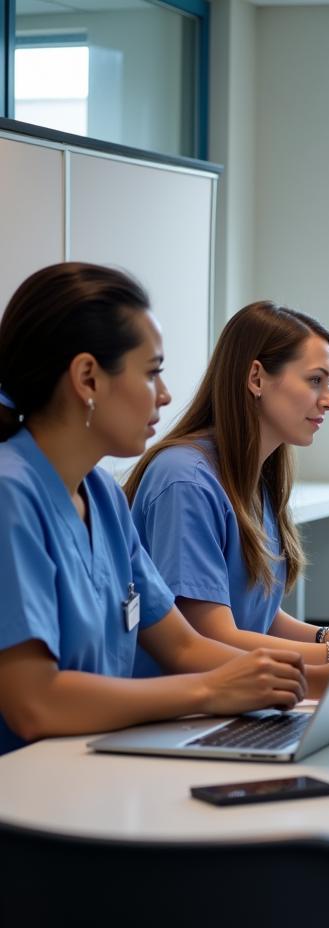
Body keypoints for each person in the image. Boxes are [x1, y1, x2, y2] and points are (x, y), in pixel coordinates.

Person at [0, 263, 307, 757]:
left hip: (93, 768)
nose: (164, 394)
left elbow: (183, 647)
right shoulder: (10, 494)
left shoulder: (100, 494)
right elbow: (34, 703)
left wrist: (302, 678)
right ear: (87, 378)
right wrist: (211, 691)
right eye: (152, 372)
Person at [124, 302, 329, 694]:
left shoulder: (253, 476)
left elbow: (263, 620)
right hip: (181, 708)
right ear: (257, 378)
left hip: (240, 699)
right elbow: (212, 638)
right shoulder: (186, 480)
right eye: (316, 380)